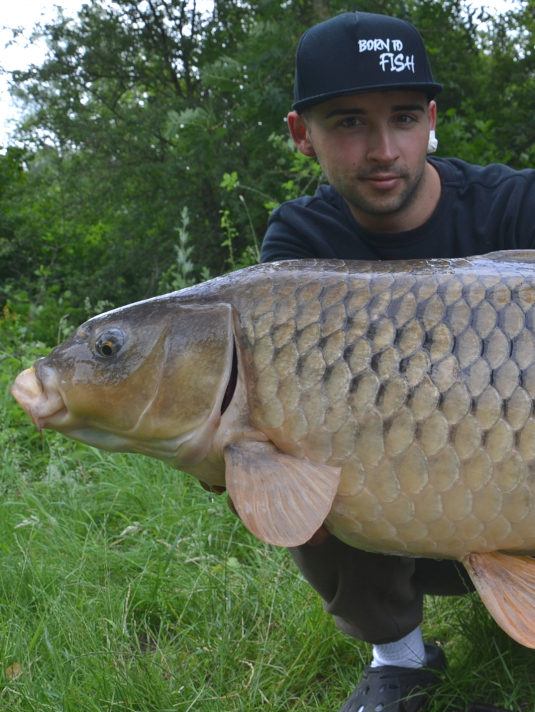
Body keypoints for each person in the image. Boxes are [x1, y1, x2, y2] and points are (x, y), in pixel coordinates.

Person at [260, 11, 535, 712]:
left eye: (404, 118)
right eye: (349, 123)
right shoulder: (300, 243)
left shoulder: (516, 204)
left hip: (517, 471)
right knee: (287, 444)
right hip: (393, 512)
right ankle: (400, 657)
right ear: (302, 135)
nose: (383, 149)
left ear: (431, 119)